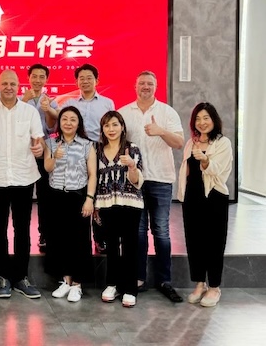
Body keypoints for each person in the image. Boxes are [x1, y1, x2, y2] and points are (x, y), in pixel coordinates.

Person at [118, 71, 184, 303]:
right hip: (134, 180)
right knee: (138, 232)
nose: (145, 87)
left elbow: (179, 143)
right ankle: (138, 278)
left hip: (161, 179)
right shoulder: (124, 113)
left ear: (155, 87)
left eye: (150, 84)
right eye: (142, 83)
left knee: (161, 231)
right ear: (135, 86)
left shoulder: (167, 112)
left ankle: (165, 280)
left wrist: (161, 131)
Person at [0, 70, 44, 300]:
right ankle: (2, 277)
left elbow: (38, 140)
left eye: (12, 84)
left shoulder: (29, 112)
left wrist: (39, 149)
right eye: (4, 83)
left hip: (23, 178)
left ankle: (21, 277)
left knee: (22, 230)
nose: (8, 87)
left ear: (18, 86)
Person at [178, 102, 233, 307]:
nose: (202, 122)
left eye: (206, 118)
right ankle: (200, 283)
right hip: (192, 198)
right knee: (194, 242)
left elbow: (220, 170)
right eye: (198, 119)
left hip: (214, 197)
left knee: (214, 243)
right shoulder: (190, 143)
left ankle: (214, 287)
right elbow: (186, 171)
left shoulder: (222, 143)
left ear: (214, 120)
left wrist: (205, 160)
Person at [43, 106, 97, 303]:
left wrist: (89, 199)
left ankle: (77, 284)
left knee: (79, 240)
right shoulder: (51, 142)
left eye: (73, 119)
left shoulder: (87, 145)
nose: (68, 123)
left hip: (78, 196)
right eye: (64, 119)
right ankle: (65, 280)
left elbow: (92, 174)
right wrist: (54, 157)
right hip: (56, 197)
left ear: (78, 123)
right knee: (59, 239)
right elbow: (47, 168)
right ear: (59, 122)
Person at [60, 63, 114, 254]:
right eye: (81, 78)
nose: (85, 81)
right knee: (81, 192)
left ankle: (100, 238)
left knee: (100, 193)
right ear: (77, 82)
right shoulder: (70, 104)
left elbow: (112, 128)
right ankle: (79, 237)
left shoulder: (107, 103)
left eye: (89, 78)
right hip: (77, 151)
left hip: (100, 150)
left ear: (96, 80)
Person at [96, 111, 144, 308]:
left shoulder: (132, 149)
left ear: (122, 127)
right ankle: (112, 284)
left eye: (115, 124)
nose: (111, 129)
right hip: (106, 204)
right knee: (112, 245)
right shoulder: (98, 150)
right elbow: (95, 178)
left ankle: (130, 288)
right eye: (107, 125)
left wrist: (132, 166)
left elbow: (138, 181)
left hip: (130, 204)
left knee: (130, 245)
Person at [22, 63, 59, 250]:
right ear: (29, 78)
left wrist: (48, 109)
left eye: (41, 76)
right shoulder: (19, 99)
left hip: (44, 153)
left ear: (46, 79)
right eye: (34, 76)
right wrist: (23, 101)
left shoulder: (51, 101)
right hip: (23, 154)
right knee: (24, 198)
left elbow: (52, 128)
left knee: (45, 197)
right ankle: (22, 235)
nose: (37, 80)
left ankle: (44, 233)